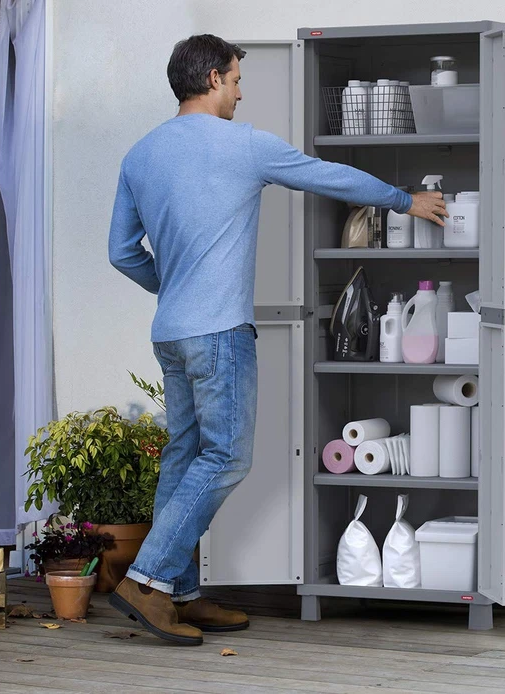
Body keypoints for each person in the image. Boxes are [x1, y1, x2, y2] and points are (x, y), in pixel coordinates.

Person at [107, 34, 447, 646]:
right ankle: (147, 581)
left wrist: (170, 286)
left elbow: (122, 252)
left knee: (183, 458)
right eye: (237, 80)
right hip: (219, 333)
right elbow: (328, 176)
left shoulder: (141, 154)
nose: (240, 94)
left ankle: (179, 594)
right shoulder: (243, 144)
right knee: (226, 457)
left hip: (172, 332)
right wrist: (404, 200)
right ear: (213, 78)